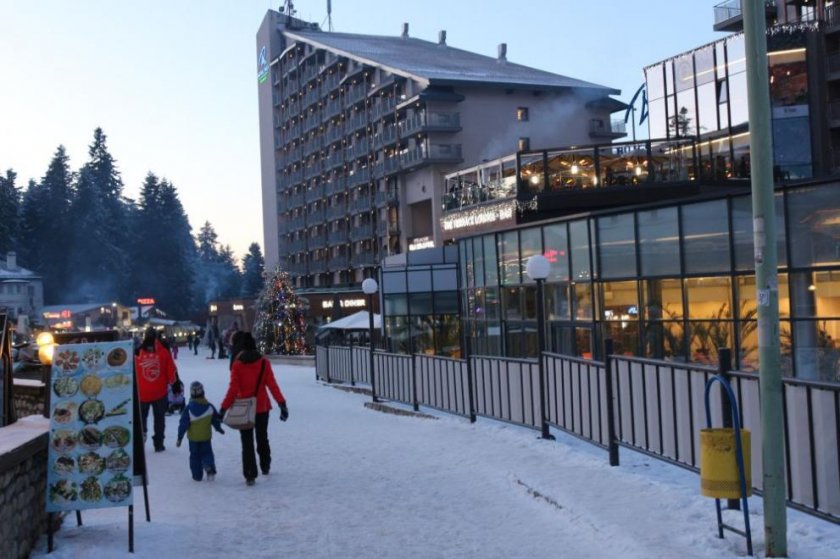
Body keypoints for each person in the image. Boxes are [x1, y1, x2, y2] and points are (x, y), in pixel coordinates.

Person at [220, 332, 289, 485]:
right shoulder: (264, 362)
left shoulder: (237, 364)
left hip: (244, 409)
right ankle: (265, 464)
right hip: (262, 406)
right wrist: (281, 403)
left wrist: (223, 408)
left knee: (247, 441)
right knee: (262, 437)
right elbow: (272, 384)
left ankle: (250, 474)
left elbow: (233, 389)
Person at [134, 327, 177, 452]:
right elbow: (171, 371)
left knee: (142, 419)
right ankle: (159, 443)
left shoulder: (137, 352)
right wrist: (173, 384)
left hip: (142, 393)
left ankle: (142, 436)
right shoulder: (163, 352)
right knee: (159, 419)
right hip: (159, 392)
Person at [177, 381, 225, 481]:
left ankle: (197, 475)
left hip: (193, 439)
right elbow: (215, 419)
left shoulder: (189, 409)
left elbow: (183, 424)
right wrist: (218, 428)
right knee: (207, 453)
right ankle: (210, 468)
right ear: (202, 392)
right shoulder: (209, 407)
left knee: (195, 456)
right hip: (205, 437)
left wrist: (180, 437)